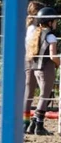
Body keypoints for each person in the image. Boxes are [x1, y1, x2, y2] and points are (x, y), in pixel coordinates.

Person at [25, 7, 60, 135]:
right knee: (44, 97)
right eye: (55, 21)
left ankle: (33, 124)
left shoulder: (36, 34)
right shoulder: (51, 36)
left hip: (35, 68)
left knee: (42, 96)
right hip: (47, 68)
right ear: (49, 22)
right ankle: (39, 125)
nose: (56, 23)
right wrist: (58, 63)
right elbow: (53, 56)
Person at [23, 0, 45, 133]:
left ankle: (27, 122)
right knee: (34, 92)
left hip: (28, 59)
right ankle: (33, 121)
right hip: (34, 60)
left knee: (29, 92)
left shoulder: (31, 27)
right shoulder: (34, 29)